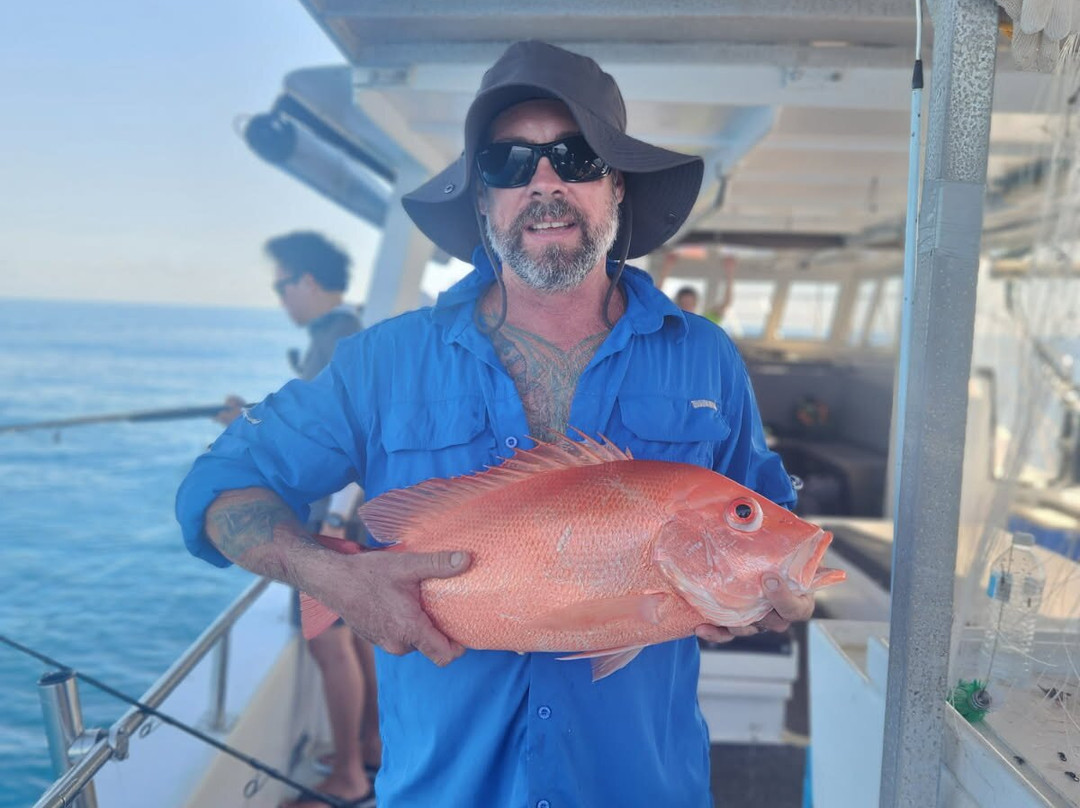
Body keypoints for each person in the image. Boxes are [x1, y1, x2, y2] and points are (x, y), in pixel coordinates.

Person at [177, 40, 812, 807]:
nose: (544, 183)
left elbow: (761, 517)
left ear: (617, 188)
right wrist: (333, 576)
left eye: (575, 158)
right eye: (510, 163)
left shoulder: (705, 359)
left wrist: (761, 597)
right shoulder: (381, 362)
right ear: (482, 201)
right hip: (445, 789)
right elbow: (217, 486)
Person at [214, 231, 380, 808]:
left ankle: (351, 780)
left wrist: (332, 522)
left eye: (282, 284)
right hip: (352, 520)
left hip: (330, 525)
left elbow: (351, 430)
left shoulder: (336, 337)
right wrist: (250, 419)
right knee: (356, 630)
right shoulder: (344, 333)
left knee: (327, 644)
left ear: (307, 281)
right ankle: (371, 746)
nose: (281, 297)